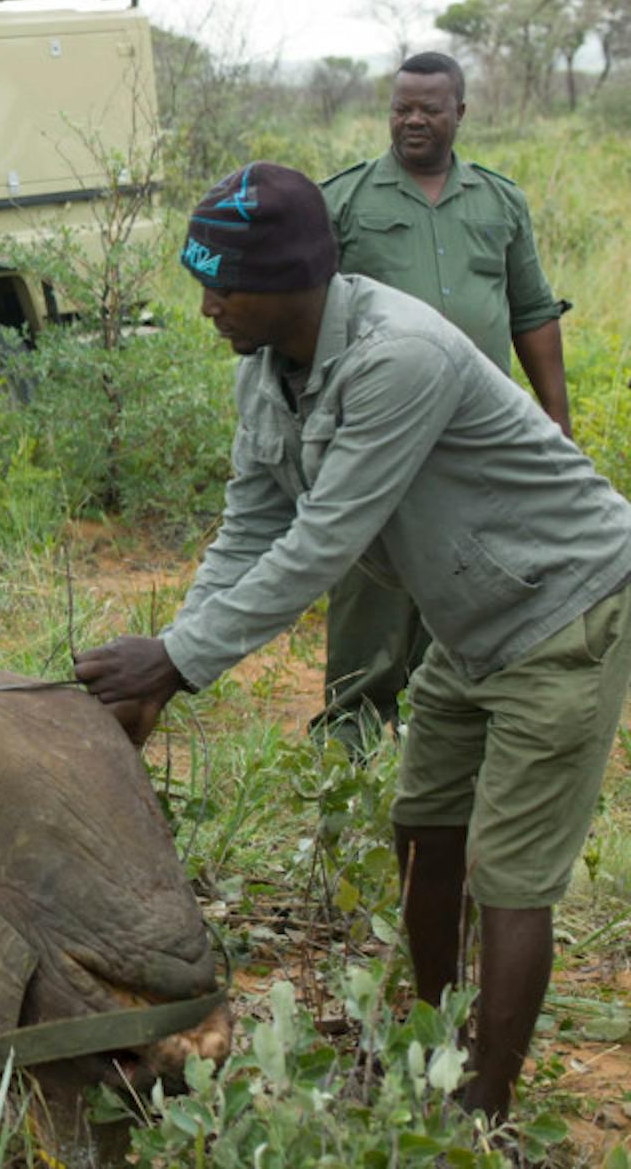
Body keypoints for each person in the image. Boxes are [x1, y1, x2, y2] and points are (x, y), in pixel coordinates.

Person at [74, 162, 631, 1129]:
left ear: (292, 281)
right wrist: (173, 654)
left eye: (223, 285)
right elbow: (250, 523)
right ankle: (432, 1041)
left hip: (562, 608)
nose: (206, 306)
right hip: (470, 620)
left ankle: (482, 1109)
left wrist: (177, 660)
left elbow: (322, 540)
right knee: (424, 828)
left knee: (510, 873)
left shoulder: (397, 356)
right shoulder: (265, 371)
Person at [313, 52, 571, 751]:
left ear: (461, 112)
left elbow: (532, 311)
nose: (413, 120)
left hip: (478, 435)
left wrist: (555, 419)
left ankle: (444, 729)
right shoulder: (345, 201)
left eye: (430, 107)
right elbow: (309, 317)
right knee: (373, 582)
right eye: (402, 108)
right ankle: (352, 737)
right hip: (380, 427)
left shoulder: (498, 200)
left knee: (468, 572)